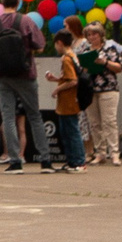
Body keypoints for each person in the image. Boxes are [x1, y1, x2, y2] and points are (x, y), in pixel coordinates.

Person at [0, 4, 43, 173]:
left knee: (8, 119)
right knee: (34, 116)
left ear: (3, 3)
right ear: (17, 3)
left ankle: (14, 161)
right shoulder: (27, 21)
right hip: (26, 74)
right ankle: (45, 160)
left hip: (3, 76)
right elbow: (40, 45)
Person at [79, 22, 122, 164]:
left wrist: (104, 62)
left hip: (108, 88)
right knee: (94, 123)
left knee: (109, 121)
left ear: (101, 35)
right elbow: (80, 68)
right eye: (89, 35)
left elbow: (119, 67)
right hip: (91, 89)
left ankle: (114, 153)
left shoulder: (109, 48)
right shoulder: (85, 49)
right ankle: (100, 153)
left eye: (95, 34)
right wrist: (85, 67)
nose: (92, 37)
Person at [45, 27, 86, 173]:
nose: (56, 47)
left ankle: (79, 161)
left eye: (56, 44)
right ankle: (72, 161)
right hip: (66, 103)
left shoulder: (67, 58)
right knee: (66, 132)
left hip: (68, 102)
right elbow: (68, 78)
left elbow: (73, 81)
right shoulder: (73, 55)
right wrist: (56, 79)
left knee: (72, 132)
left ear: (60, 43)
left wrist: (57, 89)